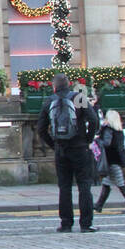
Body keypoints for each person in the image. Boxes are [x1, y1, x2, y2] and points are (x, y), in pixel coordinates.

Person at [36, 73, 100, 233]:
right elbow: (93, 120)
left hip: (61, 149)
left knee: (64, 187)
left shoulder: (49, 100)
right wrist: (88, 139)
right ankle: (86, 223)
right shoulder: (78, 98)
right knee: (84, 185)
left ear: (54, 86)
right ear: (69, 84)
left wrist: (54, 144)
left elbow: (41, 129)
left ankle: (66, 223)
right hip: (79, 147)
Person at [95, 109, 125, 214]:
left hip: (111, 160)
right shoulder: (119, 131)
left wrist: (97, 139)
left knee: (120, 183)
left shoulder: (108, 129)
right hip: (118, 160)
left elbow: (106, 143)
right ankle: (98, 205)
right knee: (106, 183)